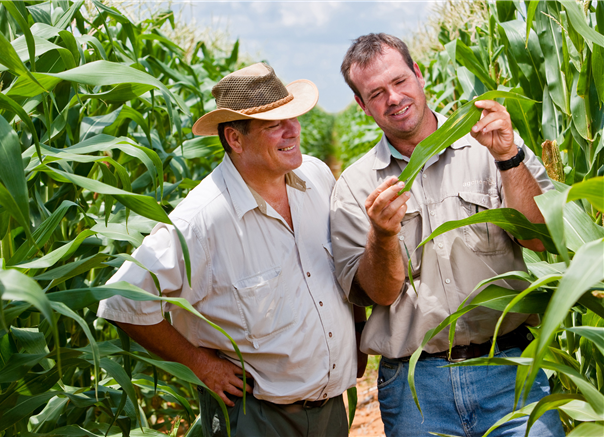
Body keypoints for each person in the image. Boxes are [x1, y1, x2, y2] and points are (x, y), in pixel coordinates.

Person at [98, 62, 363, 437]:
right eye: (275, 125)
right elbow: (123, 298)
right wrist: (200, 365)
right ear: (235, 140)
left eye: (293, 117)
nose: (294, 130)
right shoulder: (203, 220)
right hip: (257, 417)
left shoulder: (316, 176)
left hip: (330, 411)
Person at [330, 33, 565, 437]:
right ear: (362, 106)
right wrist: (383, 237)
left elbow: (542, 239)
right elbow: (378, 295)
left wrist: (509, 158)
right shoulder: (355, 186)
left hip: (510, 372)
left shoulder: (489, 146)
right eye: (376, 93)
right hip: (417, 389)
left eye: (400, 81)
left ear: (419, 75)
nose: (394, 98)